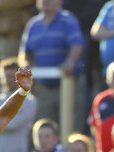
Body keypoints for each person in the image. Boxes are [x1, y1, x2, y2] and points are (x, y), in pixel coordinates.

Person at [19, 0, 86, 133]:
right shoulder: (33, 24)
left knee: (71, 128)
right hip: (43, 88)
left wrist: (70, 62)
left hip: (68, 83)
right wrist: (27, 66)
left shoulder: (68, 20)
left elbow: (77, 45)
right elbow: (24, 53)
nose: (45, 1)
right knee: (44, 128)